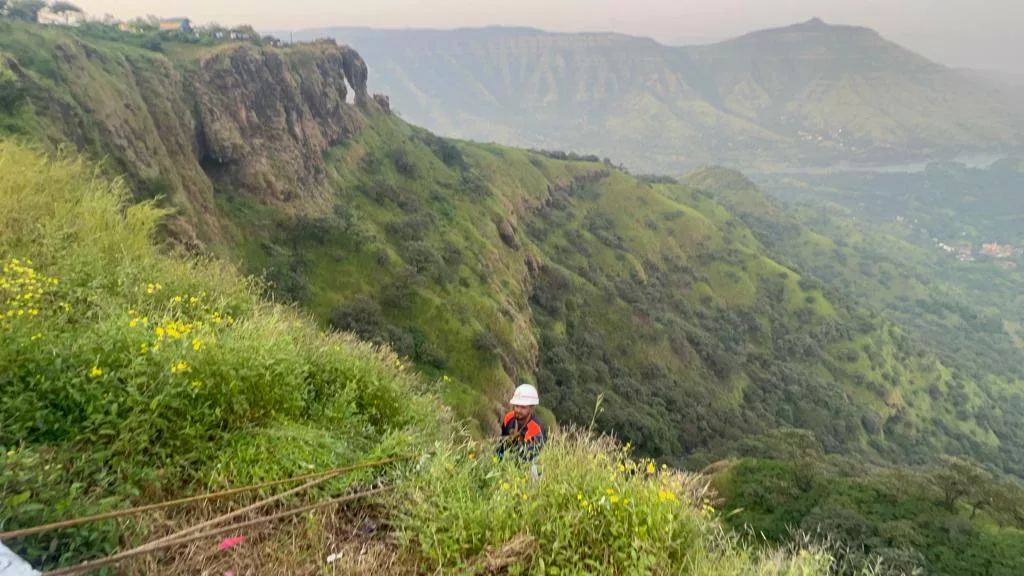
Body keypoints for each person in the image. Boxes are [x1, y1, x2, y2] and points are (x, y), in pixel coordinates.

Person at [497, 383, 545, 463]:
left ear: (531, 408)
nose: (518, 410)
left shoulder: (535, 429)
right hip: (509, 459)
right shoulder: (508, 418)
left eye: (523, 407)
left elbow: (531, 456)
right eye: (516, 406)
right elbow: (502, 445)